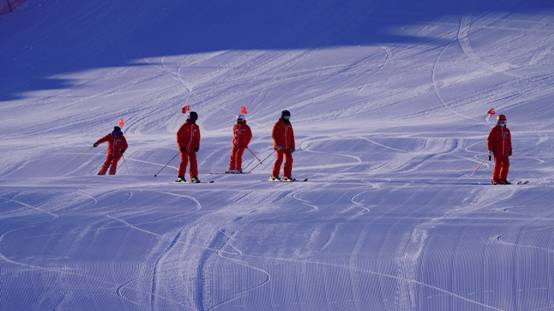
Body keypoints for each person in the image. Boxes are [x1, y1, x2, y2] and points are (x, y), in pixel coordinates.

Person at [176, 111, 201, 183]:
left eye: (195, 119)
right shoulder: (185, 126)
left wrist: (197, 145)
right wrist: (181, 146)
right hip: (184, 147)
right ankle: (180, 177)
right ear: (189, 118)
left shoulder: (196, 127)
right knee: (184, 161)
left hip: (192, 148)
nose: (194, 120)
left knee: (193, 161)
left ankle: (194, 177)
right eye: (193, 119)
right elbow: (179, 135)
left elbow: (197, 137)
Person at [271, 110, 295, 181]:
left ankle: (287, 176)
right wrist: (277, 144)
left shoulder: (289, 124)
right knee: (279, 159)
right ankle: (274, 176)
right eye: (286, 116)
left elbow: (291, 136)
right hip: (280, 146)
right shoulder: (278, 124)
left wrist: (292, 145)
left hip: (287, 147)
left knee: (289, 160)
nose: (287, 118)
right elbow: (274, 135)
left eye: (288, 117)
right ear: (282, 116)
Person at [488, 114, 512, 185]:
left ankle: (503, 179)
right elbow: (489, 140)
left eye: (504, 121)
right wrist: (490, 149)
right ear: (498, 121)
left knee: (506, 164)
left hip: (505, 151)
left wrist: (510, 149)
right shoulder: (494, 130)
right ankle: (495, 179)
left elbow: (508, 141)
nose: (503, 123)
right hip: (497, 151)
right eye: (501, 121)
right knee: (498, 165)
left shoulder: (507, 130)